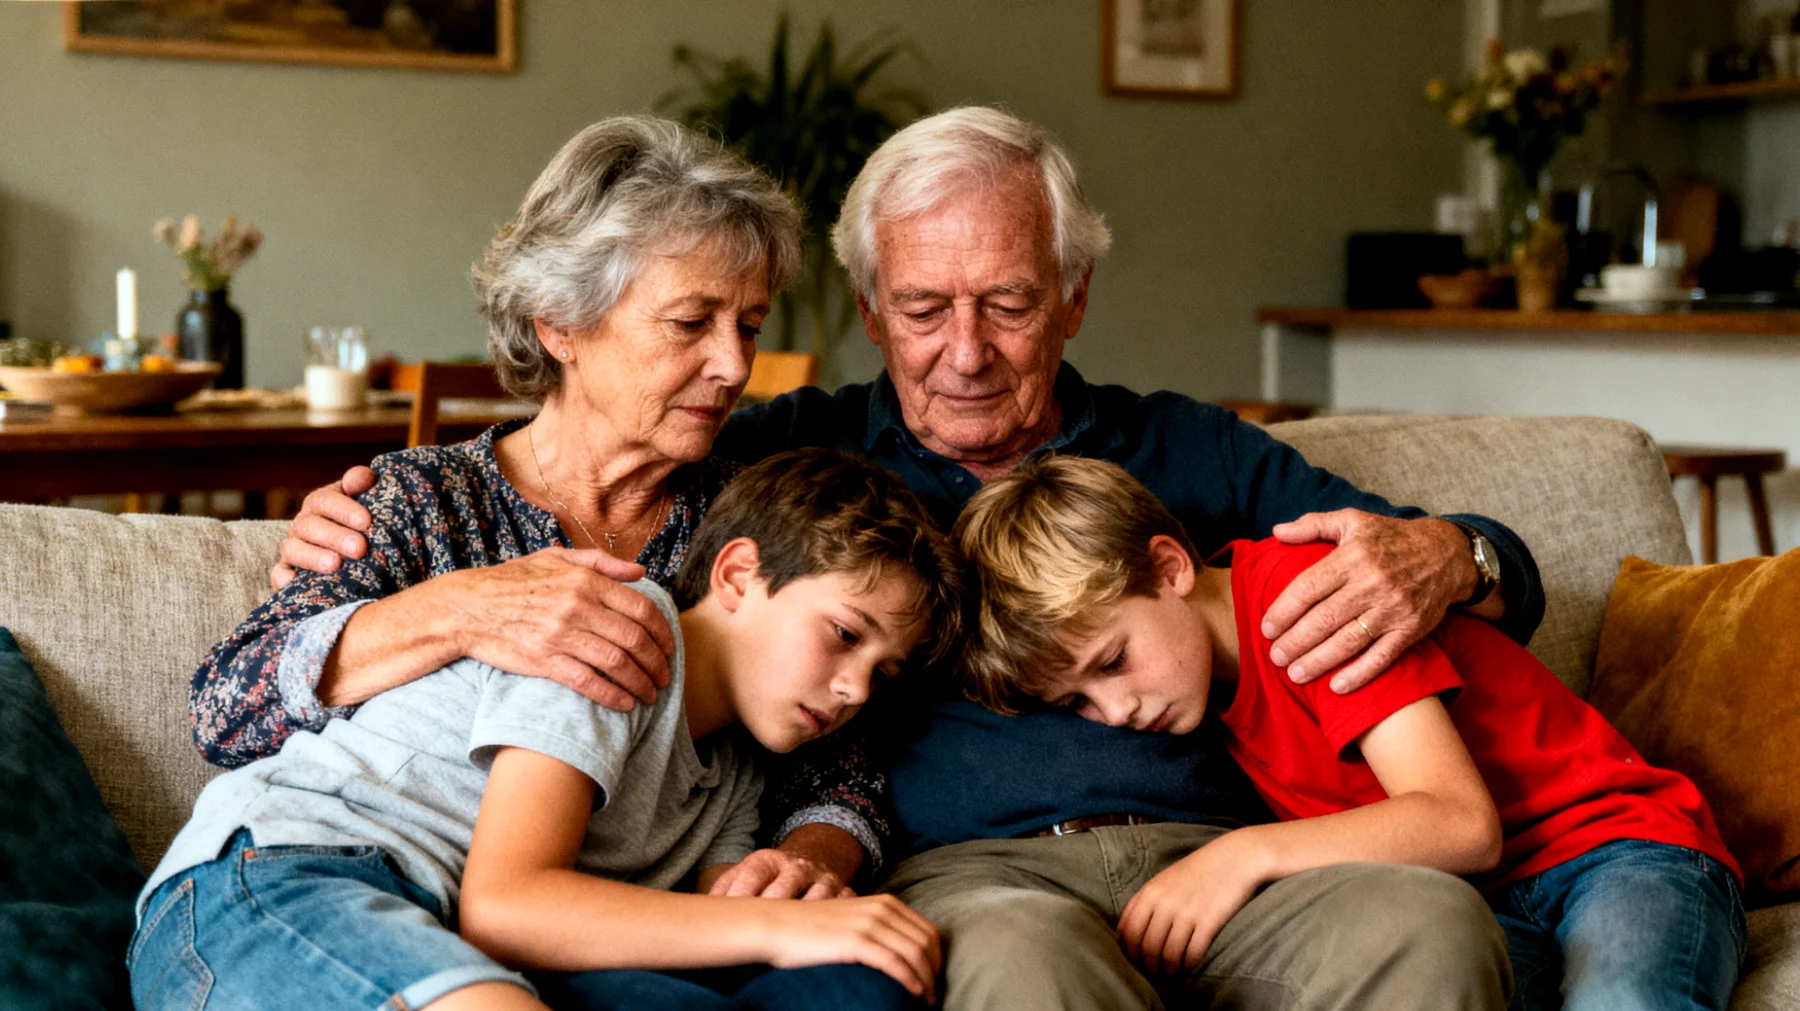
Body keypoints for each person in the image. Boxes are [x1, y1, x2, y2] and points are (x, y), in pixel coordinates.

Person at [257, 106, 1550, 1010]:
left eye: (1010, 303)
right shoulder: (787, 460)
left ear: (1075, 298)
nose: (966, 351)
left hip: (1227, 850)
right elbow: (601, 444)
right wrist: (382, 527)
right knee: (1024, 970)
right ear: (873, 313)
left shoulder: (1189, 448)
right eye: (924, 310)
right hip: (983, 879)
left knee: (1429, 926)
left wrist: (1461, 552)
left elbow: (1481, 579)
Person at [131, 448, 964, 1011]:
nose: (855, 686)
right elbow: (507, 902)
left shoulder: (741, 769)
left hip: (434, 931)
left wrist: (805, 907)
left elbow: (710, 918)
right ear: (739, 574)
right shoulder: (622, 630)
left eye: (883, 671)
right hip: (277, 883)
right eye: (846, 635)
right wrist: (786, 927)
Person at [954, 454, 1746, 1011]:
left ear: (1169, 568)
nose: (1117, 710)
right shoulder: (1206, 689)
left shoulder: (1307, 606)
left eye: (1113, 660)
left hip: (1615, 849)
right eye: (1080, 701)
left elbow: (1460, 823)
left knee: (1624, 1000)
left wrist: (1242, 855)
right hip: (1488, 902)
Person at [189, 114, 804, 770]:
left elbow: (839, 770)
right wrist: (462, 609)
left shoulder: (749, 521)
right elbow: (226, 710)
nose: (735, 366)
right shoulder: (426, 499)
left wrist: (808, 859)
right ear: (561, 325)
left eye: (749, 325)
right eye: (690, 322)